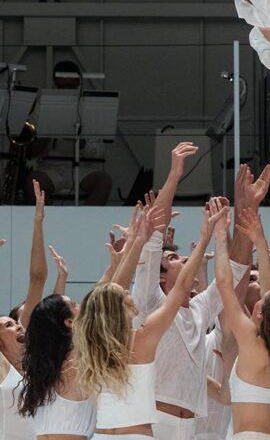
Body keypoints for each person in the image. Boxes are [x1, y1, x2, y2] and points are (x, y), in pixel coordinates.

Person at [73, 199, 225, 440]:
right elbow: (181, 287)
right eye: (124, 294)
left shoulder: (90, 346)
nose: (127, 291)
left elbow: (102, 297)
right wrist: (205, 236)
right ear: (120, 308)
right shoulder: (142, 340)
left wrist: (139, 241)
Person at [131, 144, 254, 440]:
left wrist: (245, 206)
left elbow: (236, 268)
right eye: (173, 258)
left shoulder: (199, 308)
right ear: (160, 276)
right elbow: (155, 234)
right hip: (154, 421)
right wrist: (174, 175)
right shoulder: (150, 300)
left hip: (192, 428)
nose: (183, 258)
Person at [214, 206, 270, 440]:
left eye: (261, 303)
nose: (260, 299)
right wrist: (260, 244)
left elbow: (224, 285)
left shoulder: (252, 342)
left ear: (262, 316)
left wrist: (219, 237)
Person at [25, 60, 113, 206]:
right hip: (51, 169)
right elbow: (31, 152)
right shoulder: (43, 107)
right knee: (33, 183)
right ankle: (45, 226)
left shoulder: (90, 109)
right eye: (61, 87)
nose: (66, 91)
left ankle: (86, 225)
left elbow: (99, 152)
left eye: (70, 87)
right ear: (55, 84)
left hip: (84, 170)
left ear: (78, 83)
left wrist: (79, 142)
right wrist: (49, 133)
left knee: (104, 181)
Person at [1, 181, 48, 440]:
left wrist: (38, 221)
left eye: (14, 322)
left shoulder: (40, 365)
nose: (17, 325)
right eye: (7, 325)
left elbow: (38, 278)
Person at [17, 294, 96, 440]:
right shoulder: (77, 361)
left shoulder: (42, 371)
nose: (80, 306)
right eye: (74, 304)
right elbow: (106, 307)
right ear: (69, 322)